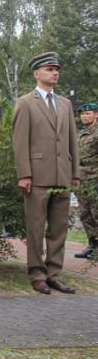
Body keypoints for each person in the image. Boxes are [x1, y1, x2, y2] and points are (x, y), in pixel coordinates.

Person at [12, 52, 80, 294]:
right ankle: (37, 275)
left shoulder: (65, 104)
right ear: (37, 73)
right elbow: (20, 142)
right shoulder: (25, 102)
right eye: (50, 69)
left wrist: (75, 172)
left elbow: (72, 139)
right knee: (36, 228)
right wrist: (24, 174)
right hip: (37, 176)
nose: (55, 72)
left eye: (57, 69)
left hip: (62, 175)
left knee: (59, 229)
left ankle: (54, 274)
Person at [75, 102, 98, 259]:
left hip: (95, 178)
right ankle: (92, 244)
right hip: (82, 180)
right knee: (85, 213)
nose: (85, 116)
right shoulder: (81, 134)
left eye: (88, 113)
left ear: (96, 114)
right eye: (83, 114)